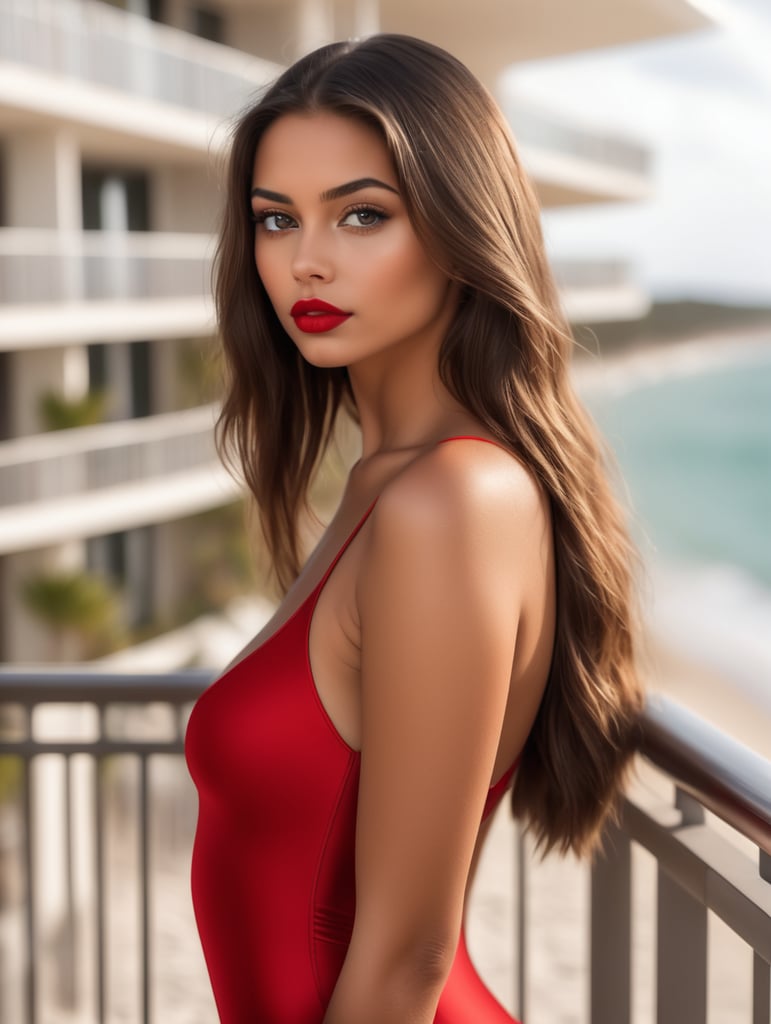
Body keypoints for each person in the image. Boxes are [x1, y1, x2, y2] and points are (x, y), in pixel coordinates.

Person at [184, 33, 643, 1024]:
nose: (306, 259)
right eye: (276, 219)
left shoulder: (452, 500)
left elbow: (404, 956)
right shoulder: (385, 484)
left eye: (362, 214)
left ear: (460, 227)